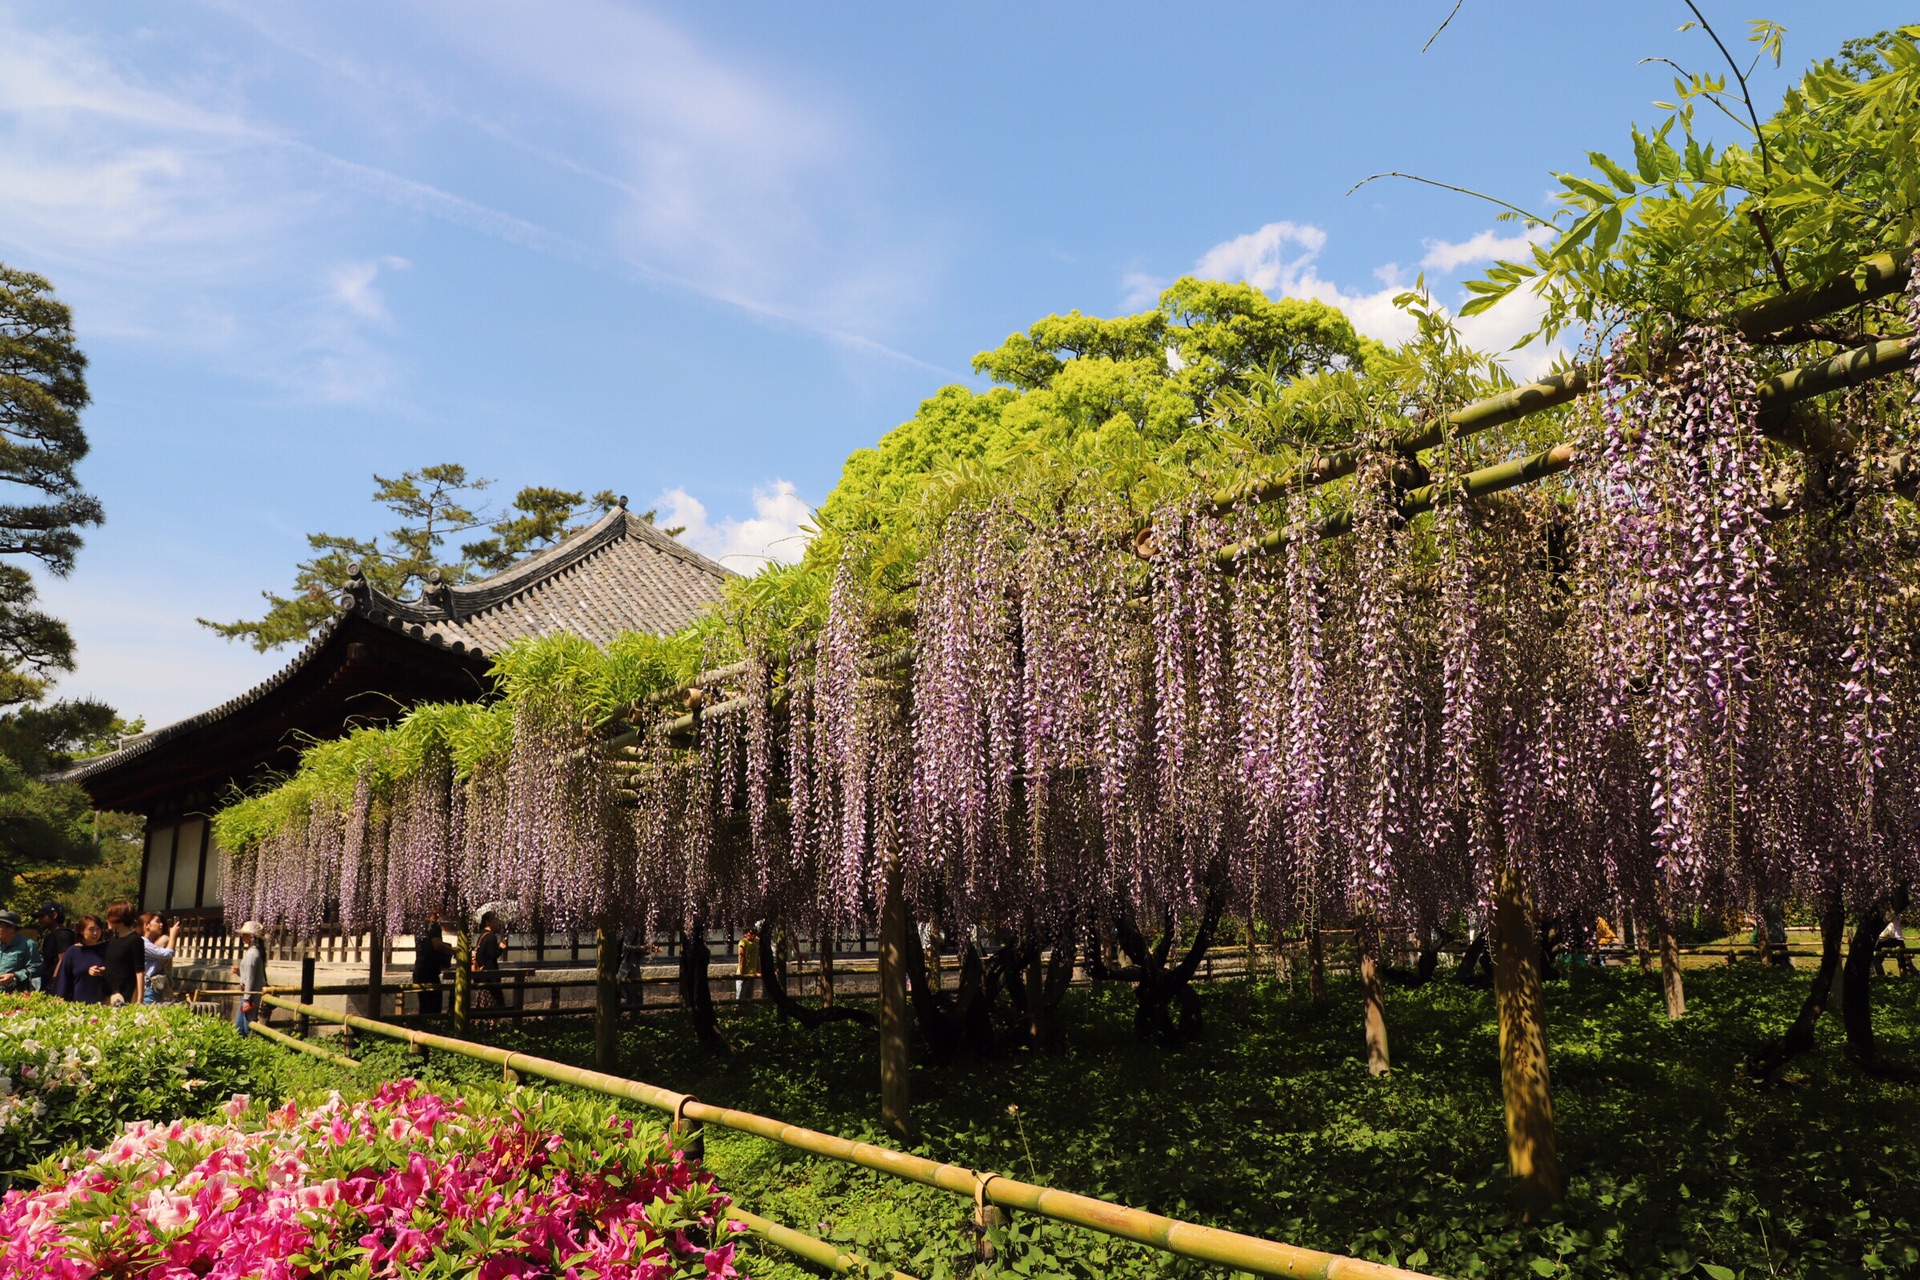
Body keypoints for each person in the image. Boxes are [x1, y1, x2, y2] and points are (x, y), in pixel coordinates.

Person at [51, 916, 109, 1003]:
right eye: (91, 929)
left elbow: (118, 971)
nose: (95, 933)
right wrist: (60, 998)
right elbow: (63, 978)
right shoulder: (73, 951)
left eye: (98, 929)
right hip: (79, 1003)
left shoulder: (107, 948)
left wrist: (104, 971)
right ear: (81, 931)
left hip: (104, 1002)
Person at [101, 901, 146, 1007]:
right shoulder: (114, 939)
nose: (107, 920)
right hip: (108, 991)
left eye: (110, 916)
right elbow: (116, 965)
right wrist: (100, 970)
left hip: (125, 993)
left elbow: (139, 971)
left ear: (119, 918)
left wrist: (139, 1000)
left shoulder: (135, 940)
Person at [412, 918, 453, 1016]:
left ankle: (424, 1026)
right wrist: (454, 951)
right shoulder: (434, 926)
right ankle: (430, 1028)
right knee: (433, 1006)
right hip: (429, 970)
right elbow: (438, 945)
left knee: (424, 1005)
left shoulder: (419, 925)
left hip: (419, 969)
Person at [231, 922, 266, 1034]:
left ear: (251, 937)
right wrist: (239, 973)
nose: (242, 937)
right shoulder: (253, 952)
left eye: (244, 934)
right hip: (248, 994)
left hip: (250, 996)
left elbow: (251, 979)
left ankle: (252, 1047)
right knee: (239, 1028)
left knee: (247, 1027)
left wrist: (247, 999)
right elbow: (249, 975)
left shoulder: (252, 954)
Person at [139, 912, 181, 1003]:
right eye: (157, 921)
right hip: (147, 989)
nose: (161, 924)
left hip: (152, 988)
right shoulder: (143, 943)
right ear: (147, 925)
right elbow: (167, 954)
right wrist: (173, 935)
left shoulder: (148, 943)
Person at [35, 903, 73, 994]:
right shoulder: (50, 936)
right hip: (47, 982)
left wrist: (53, 982)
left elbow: (63, 959)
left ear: (54, 915)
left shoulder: (63, 934)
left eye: (43, 916)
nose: (40, 920)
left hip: (57, 986)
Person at [0, 911, 41, 993]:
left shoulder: (28, 945)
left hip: (13, 997)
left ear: (12, 928)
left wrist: (14, 976)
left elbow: (35, 968)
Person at [472, 911, 505, 1009]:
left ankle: (482, 1024)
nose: (497, 923)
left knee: (483, 1005)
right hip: (489, 977)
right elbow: (493, 954)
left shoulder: (482, 935)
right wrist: (501, 948)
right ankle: (491, 1024)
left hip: (482, 975)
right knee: (495, 1006)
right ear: (488, 922)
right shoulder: (490, 936)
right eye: (495, 920)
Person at [736, 925, 761, 1000]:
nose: (753, 935)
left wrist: (758, 969)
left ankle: (748, 1010)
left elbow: (757, 957)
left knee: (749, 995)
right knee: (740, 994)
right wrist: (741, 971)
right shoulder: (743, 942)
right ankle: (737, 1010)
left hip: (752, 972)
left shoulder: (756, 942)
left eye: (754, 933)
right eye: (751, 933)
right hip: (743, 972)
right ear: (745, 934)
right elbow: (741, 956)